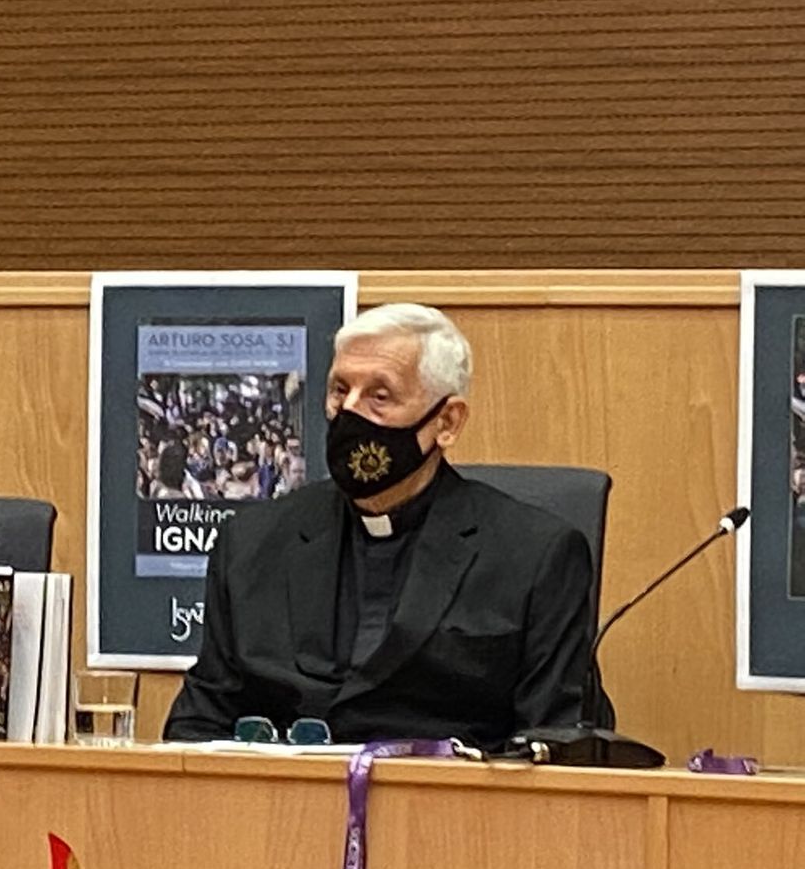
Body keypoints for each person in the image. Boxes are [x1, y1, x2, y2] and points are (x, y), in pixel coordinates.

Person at [165, 303, 593, 748]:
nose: (349, 412)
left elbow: (550, 750)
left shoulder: (535, 556)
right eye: (340, 390)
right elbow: (195, 730)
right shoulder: (252, 544)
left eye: (380, 396)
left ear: (447, 422)